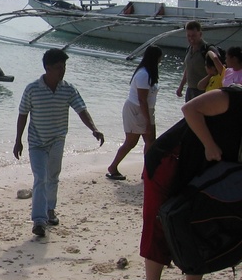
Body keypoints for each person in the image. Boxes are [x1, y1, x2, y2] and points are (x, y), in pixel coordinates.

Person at [140, 86, 242, 280]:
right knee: (159, 226)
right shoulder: (232, 98)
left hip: (202, 170)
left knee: (201, 227)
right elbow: (190, 108)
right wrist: (208, 143)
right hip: (170, 162)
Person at [13, 48, 104, 237]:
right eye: (58, 67)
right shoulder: (32, 89)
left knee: (53, 176)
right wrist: (18, 140)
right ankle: (38, 221)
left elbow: (81, 110)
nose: (62, 71)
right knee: (40, 178)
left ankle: (50, 210)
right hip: (37, 142)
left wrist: (94, 129)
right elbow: (23, 114)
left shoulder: (68, 89)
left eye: (64, 67)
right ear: (47, 68)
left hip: (57, 140)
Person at [106, 45, 163, 180]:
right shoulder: (144, 74)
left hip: (146, 110)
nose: (161, 60)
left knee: (150, 142)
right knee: (131, 142)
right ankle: (113, 167)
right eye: (160, 58)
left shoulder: (150, 72)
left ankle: (147, 172)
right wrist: (148, 121)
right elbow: (141, 100)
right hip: (136, 110)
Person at [175, 21, 215, 101]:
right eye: (188, 36)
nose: (191, 39)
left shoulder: (208, 50)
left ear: (200, 34)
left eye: (193, 36)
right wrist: (181, 86)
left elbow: (216, 72)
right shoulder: (189, 48)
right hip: (190, 90)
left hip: (204, 91)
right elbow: (188, 68)